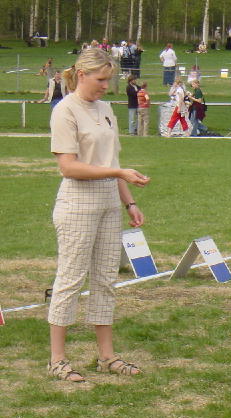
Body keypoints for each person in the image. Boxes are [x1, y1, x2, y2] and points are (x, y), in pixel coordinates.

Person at [47, 48, 149, 382]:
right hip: (78, 203)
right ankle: (57, 359)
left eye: (110, 79)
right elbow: (68, 166)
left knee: (106, 278)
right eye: (101, 79)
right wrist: (119, 173)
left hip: (108, 201)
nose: (107, 86)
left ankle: (107, 356)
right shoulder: (65, 110)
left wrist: (129, 202)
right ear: (82, 75)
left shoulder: (106, 109)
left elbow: (111, 162)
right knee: (72, 278)